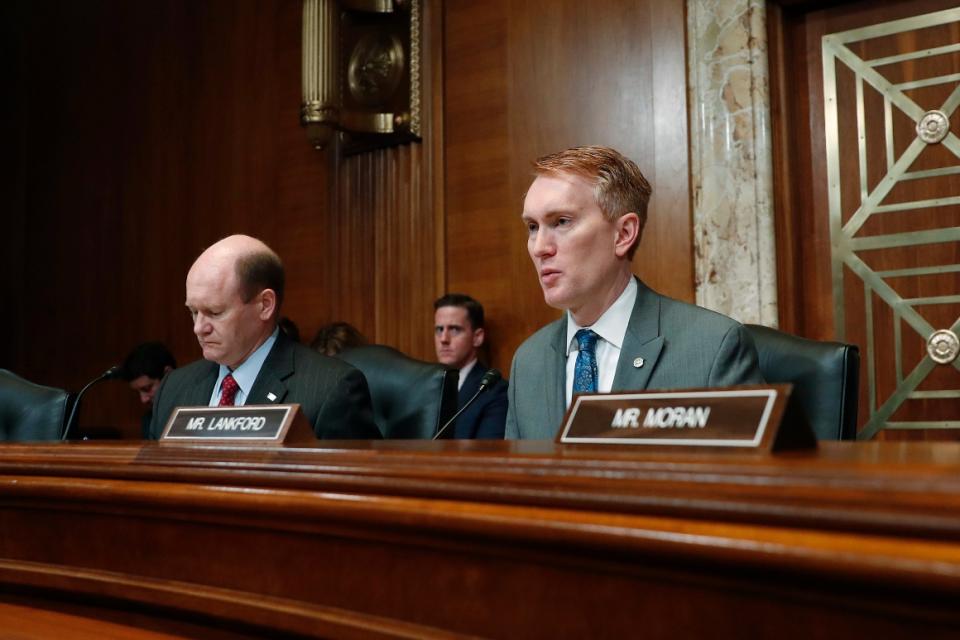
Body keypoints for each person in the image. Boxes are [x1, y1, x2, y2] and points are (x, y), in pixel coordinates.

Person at [506, 146, 763, 439]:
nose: (539, 247)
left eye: (561, 222)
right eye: (532, 226)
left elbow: (739, 481)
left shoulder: (712, 347)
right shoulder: (528, 362)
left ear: (624, 234)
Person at [149, 235, 380, 439]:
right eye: (194, 312)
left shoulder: (331, 390)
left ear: (265, 305)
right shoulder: (173, 389)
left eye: (215, 312)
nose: (199, 328)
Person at [434, 293, 508, 439]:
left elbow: (486, 453)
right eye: (439, 329)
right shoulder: (424, 386)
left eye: (454, 329)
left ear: (477, 337)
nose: (443, 339)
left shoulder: (496, 391)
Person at [120, 342, 176, 438]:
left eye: (147, 388)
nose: (143, 400)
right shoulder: (149, 420)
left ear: (168, 375)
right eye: (138, 392)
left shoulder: (196, 409)